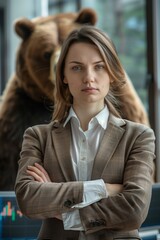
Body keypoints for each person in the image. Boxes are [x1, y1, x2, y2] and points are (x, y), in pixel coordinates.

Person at [15, 26, 155, 240]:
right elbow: (29, 199)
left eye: (99, 67)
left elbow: (134, 209)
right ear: (63, 76)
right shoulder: (38, 137)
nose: (89, 78)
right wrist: (103, 189)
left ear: (112, 73)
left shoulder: (139, 136)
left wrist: (63, 209)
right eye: (77, 68)